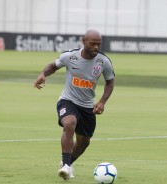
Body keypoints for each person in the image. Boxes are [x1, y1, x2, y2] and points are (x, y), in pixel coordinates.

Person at [33, 30, 115, 180]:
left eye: (99, 44)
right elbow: (53, 66)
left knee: (84, 142)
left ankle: (68, 164)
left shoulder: (104, 61)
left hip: (88, 106)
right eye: (92, 44)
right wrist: (43, 74)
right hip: (68, 100)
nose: (96, 47)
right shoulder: (70, 56)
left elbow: (110, 82)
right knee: (69, 123)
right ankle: (65, 165)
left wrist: (102, 101)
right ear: (83, 41)